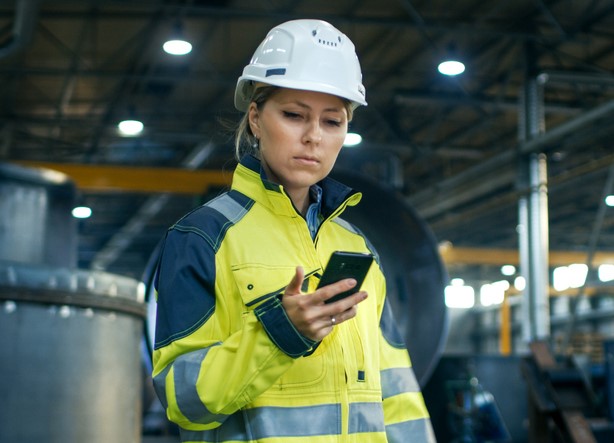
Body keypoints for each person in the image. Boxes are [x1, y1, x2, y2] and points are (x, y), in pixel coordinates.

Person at [152, 19, 436, 443]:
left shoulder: (357, 246)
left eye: (332, 122)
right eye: (293, 115)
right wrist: (278, 333)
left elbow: (396, 392)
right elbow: (183, 400)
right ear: (255, 119)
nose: (313, 137)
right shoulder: (202, 238)